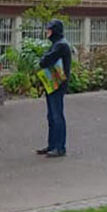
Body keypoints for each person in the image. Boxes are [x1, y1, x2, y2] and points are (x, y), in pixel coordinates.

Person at [36, 19, 72, 157]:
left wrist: (43, 59)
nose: (47, 32)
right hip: (53, 83)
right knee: (52, 115)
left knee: (56, 115)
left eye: (49, 29)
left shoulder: (60, 45)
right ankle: (52, 145)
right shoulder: (58, 44)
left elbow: (45, 61)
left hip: (57, 84)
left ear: (55, 30)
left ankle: (59, 147)